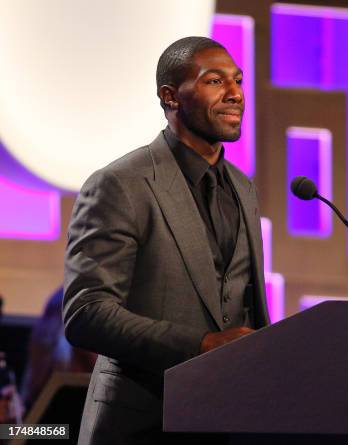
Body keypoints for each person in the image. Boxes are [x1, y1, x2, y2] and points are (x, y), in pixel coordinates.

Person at [63, 36, 269, 445]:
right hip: (140, 425)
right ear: (170, 96)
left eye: (238, 81)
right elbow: (86, 312)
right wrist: (203, 344)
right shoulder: (121, 184)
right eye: (215, 81)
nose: (235, 94)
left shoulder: (244, 190)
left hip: (226, 422)